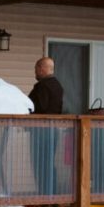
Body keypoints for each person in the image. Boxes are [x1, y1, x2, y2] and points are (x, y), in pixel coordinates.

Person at [29, 56, 64, 198]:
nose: (35, 72)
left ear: (42, 69)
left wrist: (28, 110)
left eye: (36, 68)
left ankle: (44, 196)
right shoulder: (58, 85)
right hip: (53, 129)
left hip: (41, 130)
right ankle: (51, 195)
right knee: (49, 164)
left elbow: (39, 107)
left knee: (40, 165)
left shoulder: (42, 86)